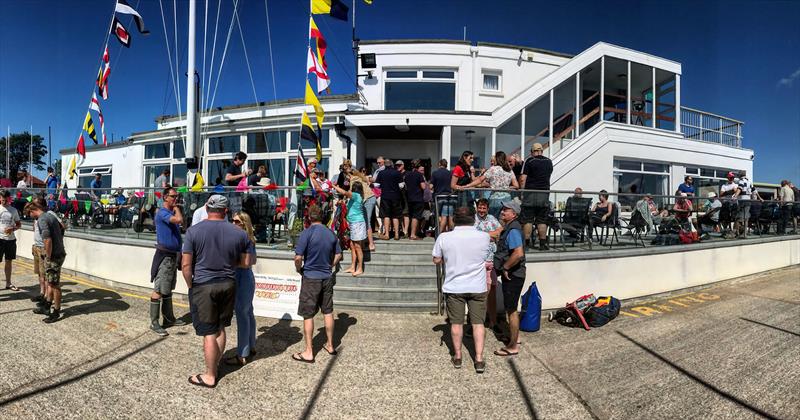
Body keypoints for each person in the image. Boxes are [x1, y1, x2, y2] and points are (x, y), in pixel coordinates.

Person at [182, 195, 250, 388]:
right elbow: (246, 262)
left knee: (209, 332)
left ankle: (210, 375)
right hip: (228, 283)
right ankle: (216, 364)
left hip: (204, 285)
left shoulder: (194, 231)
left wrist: (190, 285)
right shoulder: (239, 233)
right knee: (220, 327)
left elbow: (186, 265)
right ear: (226, 211)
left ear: (206, 207)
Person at [432, 206, 490, 373]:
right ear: (474, 219)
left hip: (455, 286)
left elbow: (436, 259)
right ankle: (478, 359)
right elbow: (485, 257)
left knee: (456, 323)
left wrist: (447, 259)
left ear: (454, 219)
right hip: (477, 286)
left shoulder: (444, 237)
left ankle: (458, 356)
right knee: (478, 323)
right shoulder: (484, 237)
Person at [293, 205, 342, 363]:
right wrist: (330, 265)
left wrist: (299, 269)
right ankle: (330, 345)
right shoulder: (331, 233)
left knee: (308, 314)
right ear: (323, 217)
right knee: (328, 311)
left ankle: (309, 351)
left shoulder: (307, 233)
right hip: (326, 276)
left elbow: (298, 257)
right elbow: (339, 254)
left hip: (311, 277)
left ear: (309, 217)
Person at [149, 187, 187, 336]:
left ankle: (169, 318)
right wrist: (177, 208)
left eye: (177, 196)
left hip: (173, 255)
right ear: (165, 197)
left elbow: (180, 224)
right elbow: (179, 220)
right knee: (159, 289)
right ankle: (154, 322)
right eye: (173, 196)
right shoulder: (163, 212)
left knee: (168, 288)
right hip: (164, 256)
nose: (175, 199)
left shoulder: (169, 212)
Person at [493, 199, 526, 357]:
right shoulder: (510, 228)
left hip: (513, 275)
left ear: (513, 214)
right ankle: (515, 337)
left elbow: (518, 253)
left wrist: (505, 267)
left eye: (506, 210)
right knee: (511, 309)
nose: (502, 212)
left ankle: (513, 346)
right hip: (514, 274)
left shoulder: (513, 229)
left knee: (511, 310)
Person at [226, 212, 258, 366]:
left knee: (242, 315)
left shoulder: (246, 239)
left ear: (244, 223)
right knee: (248, 313)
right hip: (245, 277)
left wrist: (228, 263)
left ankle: (242, 354)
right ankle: (250, 346)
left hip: (242, 278)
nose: (233, 223)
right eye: (232, 220)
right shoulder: (248, 239)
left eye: (236, 221)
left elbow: (247, 263)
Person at [27, 201, 67, 323]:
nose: (30, 217)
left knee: (54, 285)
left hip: (54, 256)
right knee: (50, 282)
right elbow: (61, 229)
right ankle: (47, 306)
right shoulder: (50, 215)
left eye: (30, 214)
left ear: (33, 211)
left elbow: (47, 240)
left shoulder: (42, 219)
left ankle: (56, 312)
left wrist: (48, 257)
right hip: (58, 253)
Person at [473, 199, 503, 331]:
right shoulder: (472, 219)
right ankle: (475, 322)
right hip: (478, 261)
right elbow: (473, 236)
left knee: (492, 293)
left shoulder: (492, 218)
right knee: (476, 293)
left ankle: (493, 321)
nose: (481, 210)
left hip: (492, 260)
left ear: (488, 208)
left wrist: (484, 236)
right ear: (476, 207)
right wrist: (491, 235)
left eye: (484, 208)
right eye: (480, 208)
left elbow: (500, 230)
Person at [519, 143, 553, 250]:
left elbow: (523, 179)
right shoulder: (549, 162)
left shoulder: (530, 161)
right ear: (542, 151)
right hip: (544, 194)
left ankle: (526, 245)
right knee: (542, 220)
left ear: (532, 151)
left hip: (531, 193)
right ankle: (542, 244)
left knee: (528, 220)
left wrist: (522, 193)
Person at [334, 181, 366, 276]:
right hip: (353, 223)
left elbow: (344, 193)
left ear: (354, 189)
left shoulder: (356, 195)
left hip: (357, 223)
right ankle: (353, 266)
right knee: (352, 245)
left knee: (357, 246)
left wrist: (333, 186)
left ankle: (360, 268)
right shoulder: (355, 197)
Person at [480, 151, 519, 219]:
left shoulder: (493, 169)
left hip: (495, 199)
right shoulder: (509, 170)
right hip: (507, 199)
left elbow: (480, 180)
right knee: (505, 220)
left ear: (497, 159)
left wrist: (467, 185)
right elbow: (516, 186)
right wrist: (507, 187)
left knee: (493, 220)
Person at [375, 158, 403, 240]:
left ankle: (387, 234)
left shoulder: (381, 173)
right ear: (392, 164)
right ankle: (396, 234)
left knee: (386, 215)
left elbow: (376, 185)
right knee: (395, 216)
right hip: (396, 196)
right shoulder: (397, 173)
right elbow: (401, 185)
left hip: (385, 196)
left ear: (384, 165)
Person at [0, 190, 21, 292]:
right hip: (0, 239)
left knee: (9, 261)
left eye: (5, 200)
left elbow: (18, 224)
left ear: (8, 199)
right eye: (2, 200)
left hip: (10, 240)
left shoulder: (13, 210)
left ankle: (8, 283)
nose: (4, 202)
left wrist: (12, 229)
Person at [350, 171, 376, 251]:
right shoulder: (359, 177)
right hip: (370, 198)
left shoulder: (353, 179)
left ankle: (371, 244)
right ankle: (364, 243)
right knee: (364, 221)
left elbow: (351, 194)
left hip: (368, 199)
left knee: (366, 221)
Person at [404, 159, 427, 240]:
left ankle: (411, 233)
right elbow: (423, 187)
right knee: (416, 217)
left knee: (411, 216)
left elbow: (405, 186)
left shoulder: (407, 175)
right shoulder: (419, 175)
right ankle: (413, 234)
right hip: (418, 198)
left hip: (409, 198)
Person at [431, 159, 455, 233]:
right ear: (446, 165)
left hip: (438, 197)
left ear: (439, 164)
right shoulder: (450, 173)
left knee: (439, 216)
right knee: (449, 216)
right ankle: (451, 232)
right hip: (449, 196)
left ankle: (440, 232)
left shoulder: (435, 173)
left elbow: (431, 186)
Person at [736, 170, 753, 237]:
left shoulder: (741, 181)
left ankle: (737, 233)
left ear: (740, 175)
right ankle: (745, 234)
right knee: (746, 218)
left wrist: (735, 196)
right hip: (748, 201)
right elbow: (754, 190)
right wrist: (760, 198)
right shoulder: (749, 181)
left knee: (737, 218)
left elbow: (740, 188)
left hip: (742, 201)